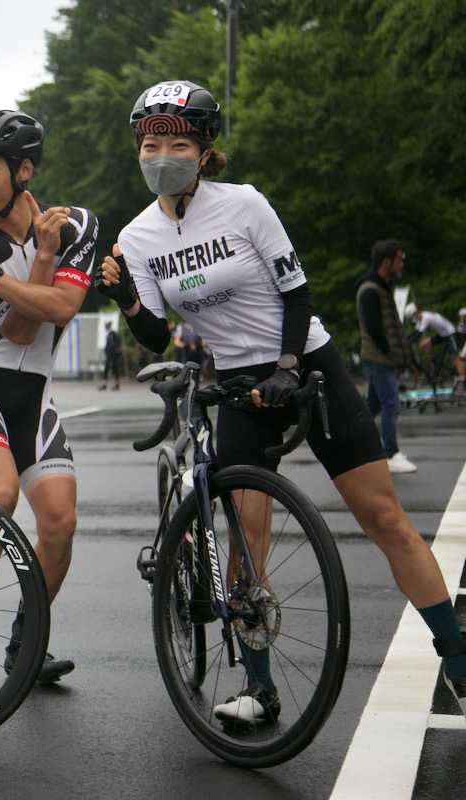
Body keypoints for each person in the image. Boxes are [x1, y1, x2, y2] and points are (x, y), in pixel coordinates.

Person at [98, 80, 466, 722]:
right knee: (248, 545)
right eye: (151, 143)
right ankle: (261, 691)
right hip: (240, 383)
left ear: (204, 149)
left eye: (177, 142)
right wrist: (127, 297)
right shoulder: (138, 237)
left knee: (385, 521)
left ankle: (459, 662)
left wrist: (291, 366)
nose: (162, 155)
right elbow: (159, 335)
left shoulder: (243, 205)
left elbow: (297, 294)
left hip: (307, 365)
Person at [0, 109, 98, 694]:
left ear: (23, 169)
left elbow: (62, 311)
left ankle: (25, 641)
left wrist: (44, 257)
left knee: (59, 523)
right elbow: (25, 332)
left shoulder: (77, 223)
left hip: (34, 394)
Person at [356, 240, 418, 473]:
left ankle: (352, 441)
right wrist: (390, 353)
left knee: (372, 405)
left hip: (381, 359)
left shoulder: (381, 287)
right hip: (378, 360)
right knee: (391, 404)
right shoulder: (370, 290)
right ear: (386, 262)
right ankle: (391, 454)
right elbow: (374, 329)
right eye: (399, 260)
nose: (402, 264)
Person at [406, 304, 466, 382]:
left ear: (415, 314)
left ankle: (464, 380)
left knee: (454, 358)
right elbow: (415, 331)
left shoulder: (426, 317)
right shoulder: (422, 317)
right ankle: (435, 363)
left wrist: (408, 343)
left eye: (412, 317)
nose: (413, 319)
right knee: (423, 345)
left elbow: (419, 333)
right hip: (442, 334)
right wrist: (405, 340)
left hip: (450, 333)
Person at [100, 320, 123, 390]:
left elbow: (118, 342)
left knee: (114, 368)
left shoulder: (113, 334)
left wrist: (112, 348)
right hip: (109, 355)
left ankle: (117, 383)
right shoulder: (108, 334)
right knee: (107, 368)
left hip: (113, 355)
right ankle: (104, 384)